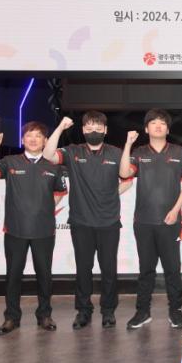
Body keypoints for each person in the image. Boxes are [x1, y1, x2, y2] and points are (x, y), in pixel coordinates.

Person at [43, 111, 132, 330]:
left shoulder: (115, 152)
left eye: (98, 127)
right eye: (89, 127)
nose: (94, 131)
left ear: (105, 130)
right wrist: (60, 128)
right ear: (83, 130)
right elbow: (48, 154)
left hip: (109, 222)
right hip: (81, 221)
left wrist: (111, 195)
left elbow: (126, 177)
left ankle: (108, 311)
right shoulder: (73, 151)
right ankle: (83, 310)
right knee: (83, 269)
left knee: (109, 269)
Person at [0, 122, 67, 336]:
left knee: (44, 275)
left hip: (44, 231)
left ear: (45, 141)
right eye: (29, 135)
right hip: (15, 230)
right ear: (22, 140)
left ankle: (44, 315)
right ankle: (11, 317)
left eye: (38, 136)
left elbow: (60, 192)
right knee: (13, 275)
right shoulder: (10, 161)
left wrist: (44, 208)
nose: (33, 139)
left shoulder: (54, 167)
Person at [119, 109, 182, 329]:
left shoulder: (179, 152)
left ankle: (175, 310)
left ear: (168, 129)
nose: (158, 126)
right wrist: (127, 144)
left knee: (172, 269)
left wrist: (175, 210)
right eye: (153, 123)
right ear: (146, 129)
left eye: (162, 123)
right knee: (146, 270)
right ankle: (142, 312)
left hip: (170, 221)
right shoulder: (139, 152)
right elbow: (124, 173)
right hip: (144, 221)